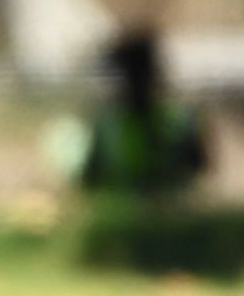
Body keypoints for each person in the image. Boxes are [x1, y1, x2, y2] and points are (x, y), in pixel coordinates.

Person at [79, 32, 206, 196]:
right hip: (128, 218)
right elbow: (90, 178)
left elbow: (197, 166)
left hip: (165, 216)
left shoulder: (179, 119)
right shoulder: (107, 124)